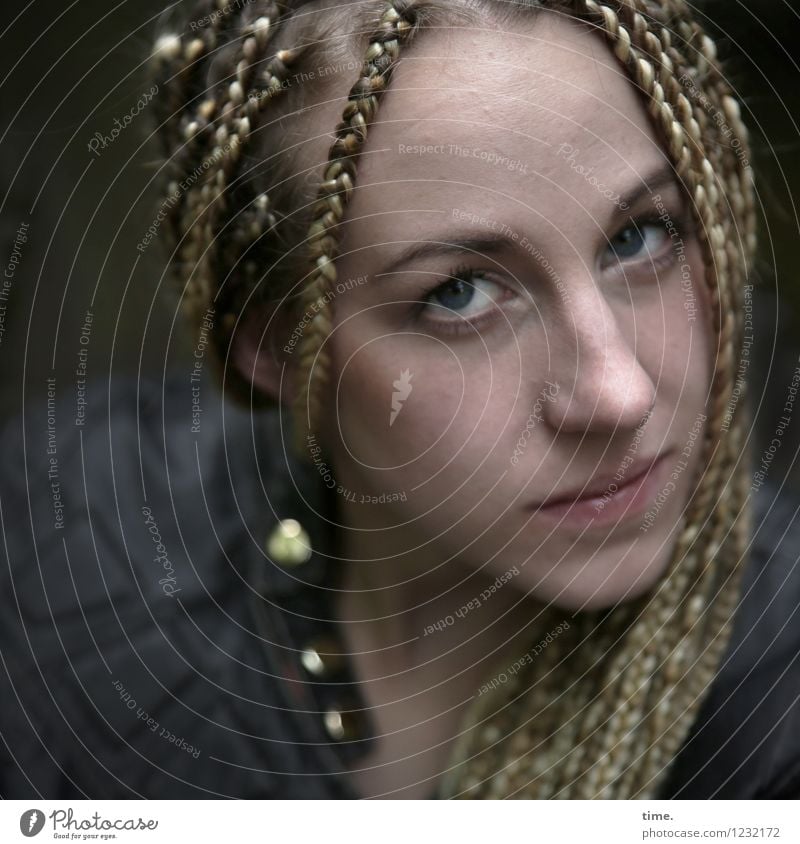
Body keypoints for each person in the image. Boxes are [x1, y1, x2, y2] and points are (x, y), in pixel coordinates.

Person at [1, 0, 798, 800]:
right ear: (279, 345)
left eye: (641, 236)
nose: (618, 393)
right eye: (460, 293)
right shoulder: (59, 537)